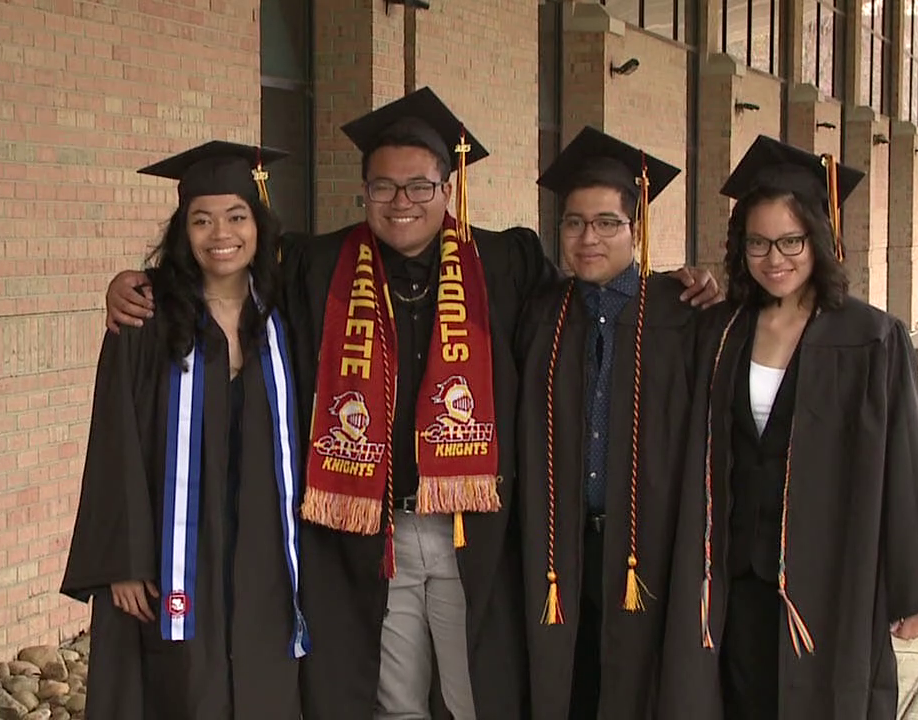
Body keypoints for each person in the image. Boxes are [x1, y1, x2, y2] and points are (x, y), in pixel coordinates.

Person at [102, 88, 722, 720]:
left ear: (448, 189)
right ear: (363, 192)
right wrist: (136, 284)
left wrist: (680, 281)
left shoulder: (504, 262)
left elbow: (588, 304)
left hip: (474, 534)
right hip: (372, 535)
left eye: (419, 186)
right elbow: (231, 281)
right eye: (383, 187)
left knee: (475, 693)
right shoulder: (320, 264)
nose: (402, 203)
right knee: (393, 699)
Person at [658, 135, 918, 720]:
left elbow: (907, 462)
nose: (774, 259)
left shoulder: (870, 337)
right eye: (758, 243)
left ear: (818, 242)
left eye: (790, 241)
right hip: (738, 572)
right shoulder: (722, 331)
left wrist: (912, 586)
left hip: (831, 571)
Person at [60, 141, 308, 718]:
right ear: (183, 231)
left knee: (264, 681)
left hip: (265, 545)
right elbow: (114, 438)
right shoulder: (146, 318)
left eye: (236, 216)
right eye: (201, 219)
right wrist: (124, 559)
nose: (220, 233)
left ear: (259, 223)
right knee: (179, 688)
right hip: (177, 547)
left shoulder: (286, 312)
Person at [517, 127, 700, 719]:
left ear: (636, 228)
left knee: (637, 685)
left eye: (606, 223)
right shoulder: (543, 311)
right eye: (573, 223)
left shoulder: (683, 314)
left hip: (648, 547)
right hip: (562, 546)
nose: (587, 237)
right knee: (571, 681)